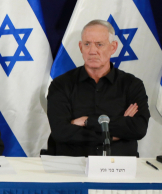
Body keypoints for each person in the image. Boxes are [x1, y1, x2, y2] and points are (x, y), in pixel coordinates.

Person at [47, 19, 149, 156]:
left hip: (119, 165)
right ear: (80, 47)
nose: (92, 51)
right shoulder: (61, 84)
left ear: (113, 47)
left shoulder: (132, 85)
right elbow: (60, 132)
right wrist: (114, 133)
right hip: (72, 164)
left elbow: (138, 129)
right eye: (87, 44)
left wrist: (86, 121)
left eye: (99, 44)